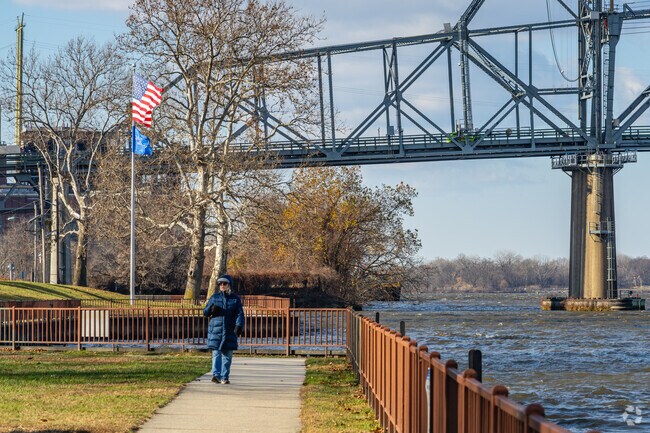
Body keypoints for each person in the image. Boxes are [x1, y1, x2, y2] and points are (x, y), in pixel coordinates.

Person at [203, 274, 245, 384]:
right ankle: (216, 375)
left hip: (230, 330)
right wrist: (211, 309)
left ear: (229, 285)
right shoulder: (214, 297)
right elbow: (205, 312)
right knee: (216, 353)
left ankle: (225, 377)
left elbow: (240, 314)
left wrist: (239, 325)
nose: (222, 285)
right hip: (216, 330)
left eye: (224, 283)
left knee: (227, 355)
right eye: (220, 283)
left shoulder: (235, 299)